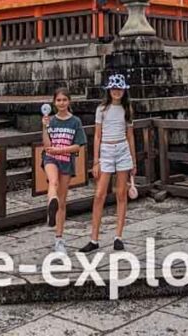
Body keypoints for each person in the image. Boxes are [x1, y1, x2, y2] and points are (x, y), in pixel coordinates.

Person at [81, 73, 137, 254]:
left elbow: (130, 136)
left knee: (121, 194)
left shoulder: (127, 109)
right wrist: (95, 161)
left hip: (122, 150)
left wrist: (133, 161)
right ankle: (94, 238)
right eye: (114, 88)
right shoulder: (102, 109)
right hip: (105, 150)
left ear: (124, 90)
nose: (116, 91)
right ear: (109, 90)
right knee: (99, 195)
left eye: (119, 88)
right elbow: (97, 135)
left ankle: (118, 236)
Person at [41, 88, 87, 256]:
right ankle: (50, 206)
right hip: (50, 158)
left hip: (66, 160)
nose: (61, 103)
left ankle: (59, 237)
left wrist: (61, 150)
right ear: (54, 103)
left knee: (63, 200)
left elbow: (79, 145)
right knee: (52, 182)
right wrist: (45, 127)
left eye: (64, 100)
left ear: (69, 102)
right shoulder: (50, 120)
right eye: (58, 100)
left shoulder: (75, 121)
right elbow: (46, 145)